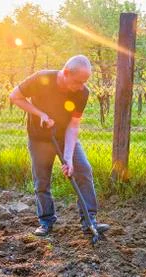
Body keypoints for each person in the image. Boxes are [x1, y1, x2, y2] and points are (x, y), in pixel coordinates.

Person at [9, 55, 110, 236]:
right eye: (78, 81)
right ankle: (46, 221)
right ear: (65, 73)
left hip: (64, 136)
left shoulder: (82, 93)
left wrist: (68, 158)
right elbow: (15, 97)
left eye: (84, 82)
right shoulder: (41, 79)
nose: (81, 87)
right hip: (39, 138)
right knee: (42, 179)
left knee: (83, 169)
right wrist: (39, 114)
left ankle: (89, 221)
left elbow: (73, 126)